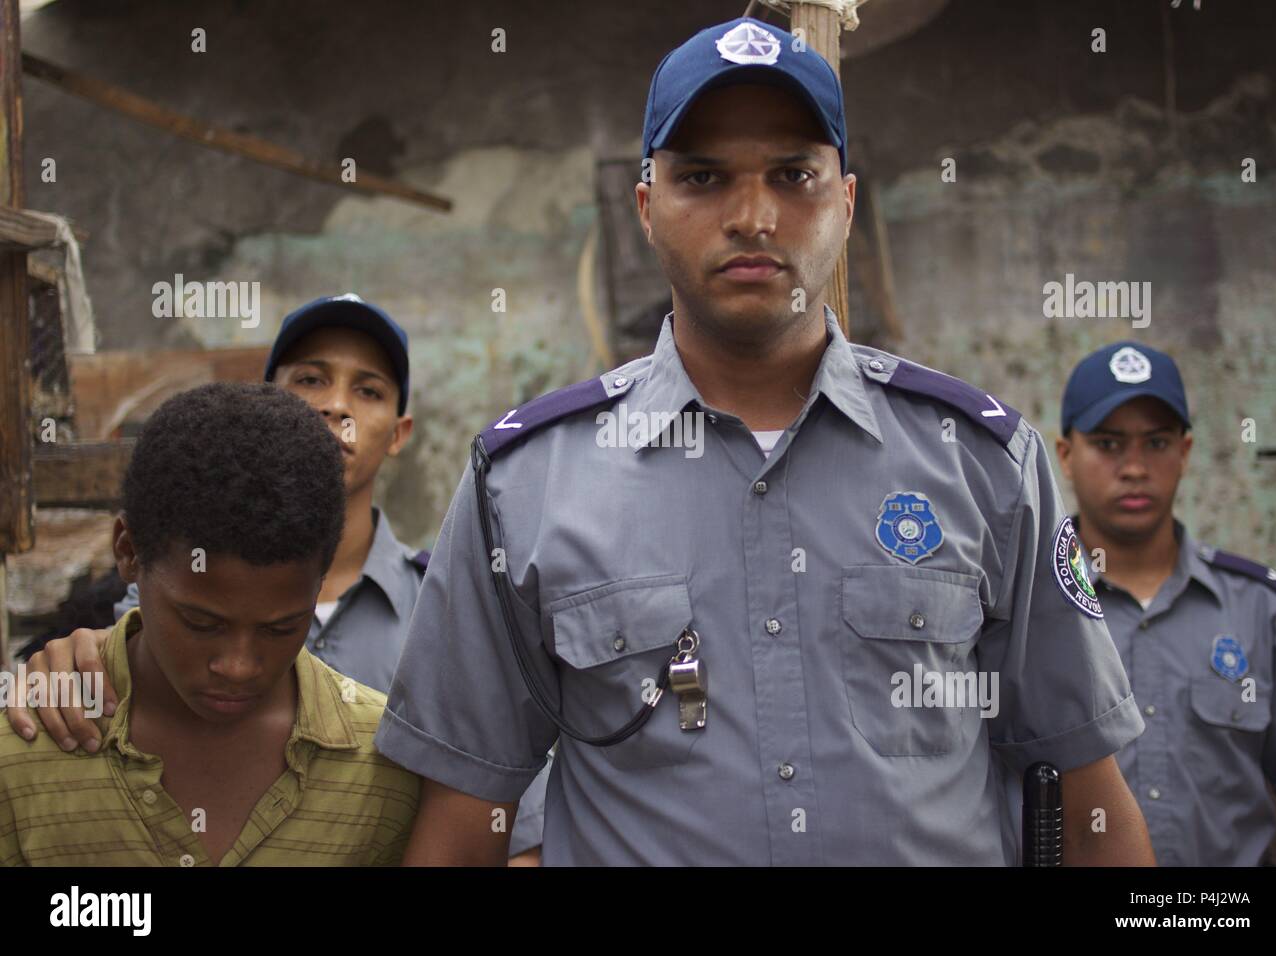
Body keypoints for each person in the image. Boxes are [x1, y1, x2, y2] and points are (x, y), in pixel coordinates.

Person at [373, 17, 1155, 865]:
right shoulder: (523, 485)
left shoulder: (981, 464)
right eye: (703, 177)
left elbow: (1088, 801)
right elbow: (464, 822)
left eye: (794, 175)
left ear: (846, 203)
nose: (752, 217)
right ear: (645, 207)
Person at [3, 295, 548, 862]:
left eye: (368, 390)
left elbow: (507, 830)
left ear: (399, 431)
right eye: (310, 380)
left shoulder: (452, 615)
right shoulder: (112, 625)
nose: (335, 407)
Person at [0, 383, 419, 866]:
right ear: (128, 552)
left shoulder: (387, 768)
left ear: (320, 581)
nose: (238, 667)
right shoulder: (25, 749)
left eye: (280, 628)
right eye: (201, 623)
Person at [1055, 341, 1276, 866]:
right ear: (1066, 455)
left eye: (1157, 443)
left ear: (1185, 453)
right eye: (1109, 443)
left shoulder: (1263, 609)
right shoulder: (1032, 608)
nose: (1135, 468)